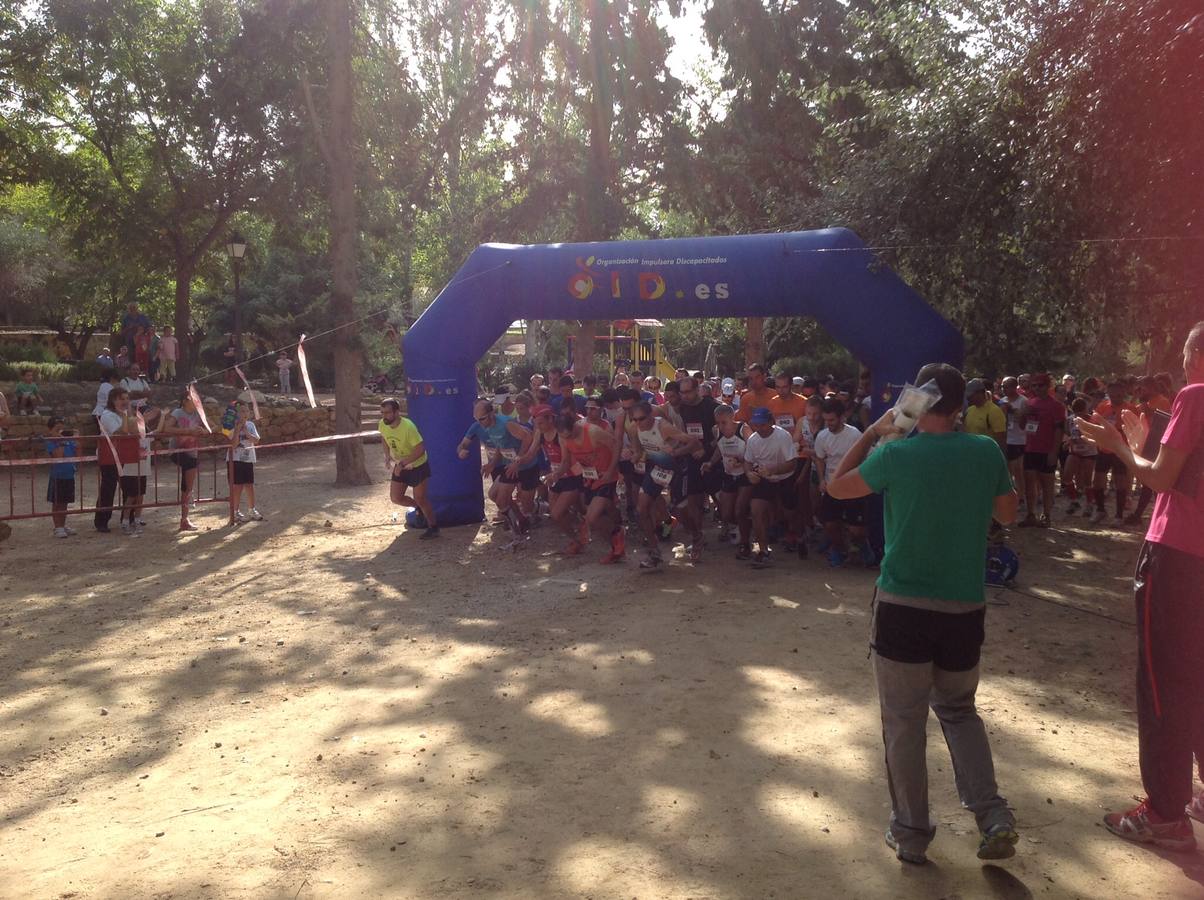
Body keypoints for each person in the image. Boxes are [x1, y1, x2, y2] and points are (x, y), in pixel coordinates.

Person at [826, 362, 1020, 865]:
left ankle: (911, 832)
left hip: (902, 606)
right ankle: (992, 814)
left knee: (904, 722)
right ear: (959, 406)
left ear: (918, 401)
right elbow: (1007, 513)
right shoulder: (985, 451)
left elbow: (837, 486)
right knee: (959, 711)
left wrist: (873, 430)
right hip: (963, 608)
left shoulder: (898, 455)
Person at [1078, 322, 1204, 852]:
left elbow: (1158, 479)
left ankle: (1165, 813)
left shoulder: (1195, 395)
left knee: (1162, 683)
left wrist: (1118, 448)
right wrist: (1138, 446)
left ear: (1195, 355)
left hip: (1177, 557)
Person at [628, 401, 699, 569]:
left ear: (651, 415)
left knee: (679, 509)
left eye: (641, 419)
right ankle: (654, 552)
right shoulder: (634, 428)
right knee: (642, 508)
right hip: (656, 468)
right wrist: (633, 457)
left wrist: (676, 452)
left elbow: (694, 442)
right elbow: (638, 451)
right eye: (634, 419)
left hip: (676, 468)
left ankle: (697, 537)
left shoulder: (663, 427)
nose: (638, 423)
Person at [555, 410, 625, 563]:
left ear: (574, 426)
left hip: (606, 476)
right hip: (589, 478)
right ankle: (616, 535)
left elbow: (616, 445)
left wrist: (612, 471)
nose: (568, 439)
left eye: (570, 435)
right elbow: (566, 461)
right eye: (564, 437)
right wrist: (555, 474)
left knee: (592, 517)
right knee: (597, 514)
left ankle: (617, 541)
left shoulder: (592, 432)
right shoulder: (563, 437)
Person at [458, 399, 537, 534]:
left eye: (481, 419)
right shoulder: (487, 426)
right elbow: (501, 446)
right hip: (510, 466)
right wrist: (492, 464)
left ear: (491, 414)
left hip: (526, 466)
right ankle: (519, 523)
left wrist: (518, 460)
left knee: (526, 504)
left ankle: (529, 516)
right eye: (476, 419)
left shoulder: (506, 423)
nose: (479, 422)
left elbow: (528, 437)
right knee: (494, 495)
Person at [814, 398, 867, 567]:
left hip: (853, 486)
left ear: (842, 417)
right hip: (832, 485)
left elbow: (862, 459)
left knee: (856, 529)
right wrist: (822, 479)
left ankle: (861, 545)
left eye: (832, 420)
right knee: (829, 524)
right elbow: (820, 459)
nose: (828, 423)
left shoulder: (854, 435)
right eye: (826, 420)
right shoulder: (822, 436)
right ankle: (839, 549)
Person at [743, 407, 798, 567]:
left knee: (789, 513)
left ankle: (794, 533)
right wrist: (748, 473)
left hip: (784, 478)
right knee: (756, 510)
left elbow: (792, 463)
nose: (759, 429)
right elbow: (748, 460)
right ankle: (763, 550)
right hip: (764, 479)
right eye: (756, 425)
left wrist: (773, 470)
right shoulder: (753, 439)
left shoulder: (783, 436)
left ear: (771, 423)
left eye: (762, 425)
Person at [378, 399, 438, 538]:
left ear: (397, 412)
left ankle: (433, 527)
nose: (384, 416)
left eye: (387, 413)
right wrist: (387, 456)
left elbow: (421, 450)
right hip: (401, 464)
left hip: (418, 465)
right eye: (382, 413)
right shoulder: (382, 424)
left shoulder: (408, 427)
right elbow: (384, 438)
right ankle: (418, 508)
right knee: (396, 498)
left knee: (421, 498)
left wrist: (402, 464)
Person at [677, 377, 719, 561]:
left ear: (697, 390)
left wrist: (705, 450)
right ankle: (698, 537)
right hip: (692, 459)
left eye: (688, 392)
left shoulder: (712, 407)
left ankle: (730, 527)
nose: (684, 396)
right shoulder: (681, 408)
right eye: (682, 392)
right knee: (691, 501)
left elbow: (721, 435)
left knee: (724, 504)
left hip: (714, 459)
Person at [1018, 373, 1064, 527]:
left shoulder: (1056, 406)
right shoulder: (1029, 403)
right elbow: (1022, 426)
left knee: (1047, 485)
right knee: (1029, 484)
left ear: (1048, 386)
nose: (1037, 388)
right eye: (1034, 385)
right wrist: (1022, 415)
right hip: (1031, 448)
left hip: (1047, 450)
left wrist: (1054, 452)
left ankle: (1046, 515)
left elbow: (1059, 431)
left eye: (1041, 385)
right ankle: (1031, 514)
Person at [1088, 380, 1136, 524]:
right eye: (1113, 394)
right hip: (1104, 449)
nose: (1116, 397)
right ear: (1109, 394)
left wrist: (1120, 430)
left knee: (1121, 484)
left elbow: (1136, 430)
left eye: (1119, 394)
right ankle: (1100, 510)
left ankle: (1119, 515)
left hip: (1121, 450)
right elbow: (1094, 424)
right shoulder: (1103, 407)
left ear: (1124, 394)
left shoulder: (1131, 408)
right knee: (1097, 482)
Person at [94, 387, 139, 534]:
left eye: (127, 398)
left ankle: (127, 518)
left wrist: (129, 415)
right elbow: (122, 432)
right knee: (108, 488)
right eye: (122, 399)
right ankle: (101, 521)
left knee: (130, 487)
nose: (125, 401)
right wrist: (127, 416)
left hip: (125, 454)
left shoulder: (124, 414)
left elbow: (134, 429)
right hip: (109, 456)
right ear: (113, 401)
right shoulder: (107, 415)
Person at [161, 391, 207, 532]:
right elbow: (166, 428)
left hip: (192, 451)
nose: (196, 402)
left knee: (186, 486)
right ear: (185, 400)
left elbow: (212, 427)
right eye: (193, 399)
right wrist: (187, 431)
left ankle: (185, 518)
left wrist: (204, 431)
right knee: (190, 469)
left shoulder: (198, 413)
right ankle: (189, 497)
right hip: (177, 450)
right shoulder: (178, 412)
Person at [226, 401, 263, 525]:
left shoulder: (251, 425)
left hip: (248, 459)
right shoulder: (230, 426)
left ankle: (251, 509)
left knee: (249, 485)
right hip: (235, 460)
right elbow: (233, 444)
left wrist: (246, 431)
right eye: (242, 411)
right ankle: (235, 512)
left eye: (247, 411)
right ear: (236, 413)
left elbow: (256, 440)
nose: (245, 414)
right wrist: (237, 429)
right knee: (237, 487)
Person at [44, 417, 78, 538]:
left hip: (69, 474)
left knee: (65, 502)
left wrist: (75, 437)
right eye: (57, 429)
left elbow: (77, 451)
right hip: (58, 476)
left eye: (62, 429)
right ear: (50, 430)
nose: (60, 432)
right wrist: (61, 441)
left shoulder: (68, 440)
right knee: (57, 502)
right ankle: (57, 526)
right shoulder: (51, 442)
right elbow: (58, 455)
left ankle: (62, 525)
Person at [963, 379, 1006, 450]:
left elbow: (1001, 439)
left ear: (980, 393)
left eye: (971, 395)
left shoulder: (994, 411)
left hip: (988, 453)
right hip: (971, 452)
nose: (968, 398)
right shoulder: (969, 410)